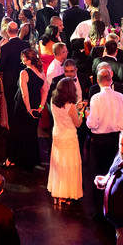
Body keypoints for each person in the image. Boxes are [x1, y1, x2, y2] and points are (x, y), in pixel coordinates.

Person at [47, 77, 83, 205]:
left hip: (57, 135)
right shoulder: (71, 106)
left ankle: (58, 192)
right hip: (69, 138)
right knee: (69, 165)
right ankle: (66, 194)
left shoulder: (52, 101)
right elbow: (78, 123)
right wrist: (82, 113)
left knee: (59, 164)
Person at [9, 48, 46, 171]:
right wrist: (40, 107)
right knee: (31, 132)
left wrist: (29, 109)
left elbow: (25, 94)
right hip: (35, 104)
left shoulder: (24, 73)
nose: (22, 60)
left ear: (29, 60)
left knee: (18, 131)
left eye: (24, 58)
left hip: (23, 106)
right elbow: (45, 91)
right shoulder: (41, 72)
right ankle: (30, 160)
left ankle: (14, 159)